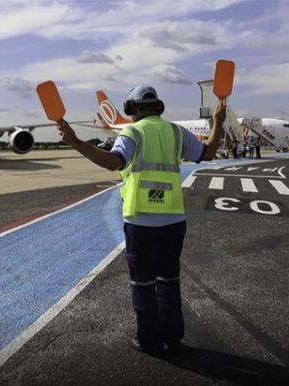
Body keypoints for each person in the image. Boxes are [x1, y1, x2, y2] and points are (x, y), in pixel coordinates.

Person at [57, 84, 226, 356]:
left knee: (143, 284)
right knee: (169, 281)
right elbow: (207, 154)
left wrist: (77, 142)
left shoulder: (132, 132)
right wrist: (218, 123)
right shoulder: (175, 131)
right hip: (173, 220)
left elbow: (114, 162)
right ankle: (173, 337)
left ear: (132, 109)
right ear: (158, 107)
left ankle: (149, 341)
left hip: (141, 223)